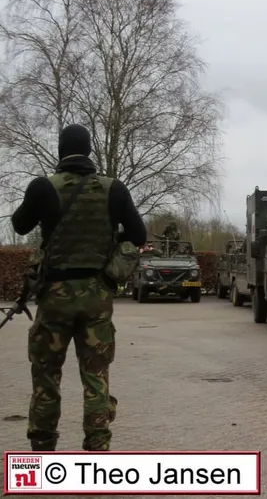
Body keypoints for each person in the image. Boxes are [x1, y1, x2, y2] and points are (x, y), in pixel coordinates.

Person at [10, 124, 147, 452]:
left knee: (46, 376)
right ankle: (97, 449)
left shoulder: (43, 187)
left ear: (61, 150)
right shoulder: (114, 189)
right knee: (96, 377)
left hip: (55, 298)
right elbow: (139, 235)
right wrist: (113, 250)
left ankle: (43, 449)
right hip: (97, 296)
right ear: (88, 151)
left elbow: (20, 225)